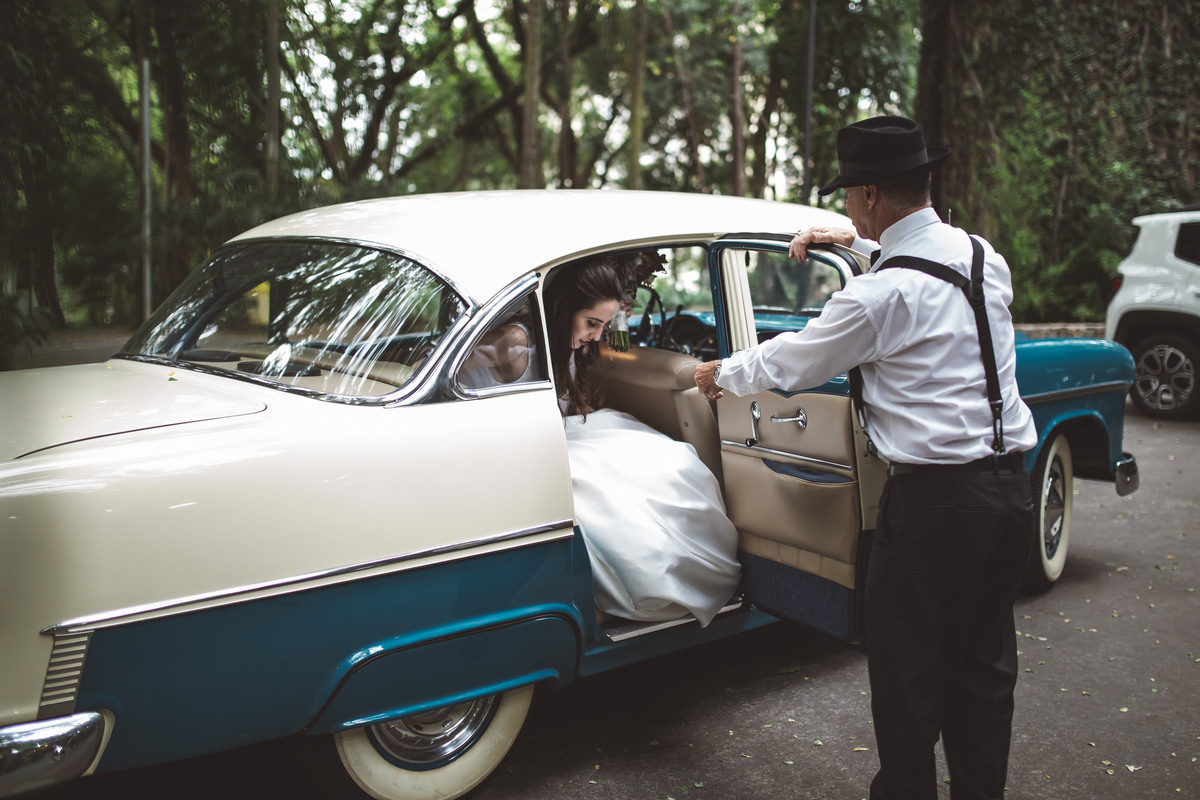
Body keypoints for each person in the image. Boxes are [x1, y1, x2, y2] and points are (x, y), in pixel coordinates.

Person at [694, 116, 1037, 800]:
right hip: (1008, 497)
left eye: (852, 196)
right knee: (985, 672)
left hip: (934, 507)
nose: (850, 207)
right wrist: (854, 241)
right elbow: (919, 261)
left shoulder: (878, 296)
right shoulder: (981, 257)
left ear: (871, 193)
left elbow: (794, 361)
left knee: (908, 678)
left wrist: (719, 374)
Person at [547, 255, 740, 627]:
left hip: (567, 430)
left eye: (604, 325)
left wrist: (611, 319)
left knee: (675, 459)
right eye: (591, 323)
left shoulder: (578, 341)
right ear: (564, 308)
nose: (597, 336)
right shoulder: (519, 343)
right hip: (545, 443)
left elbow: (617, 350)